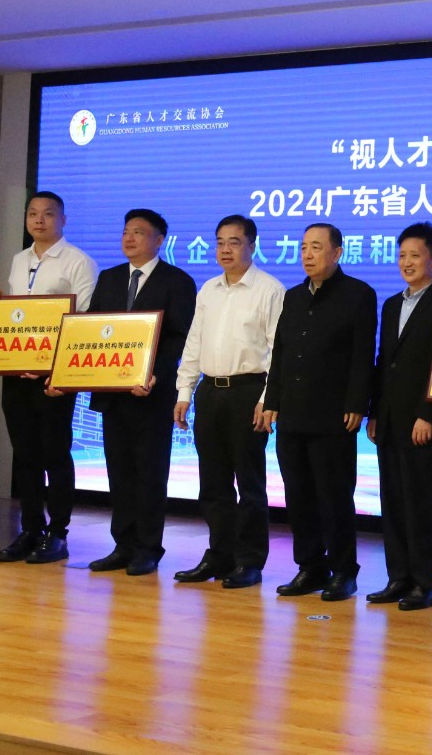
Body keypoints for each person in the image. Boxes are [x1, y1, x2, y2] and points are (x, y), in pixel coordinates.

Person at [260, 223, 377, 602]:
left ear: (337, 252)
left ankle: (343, 571)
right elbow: (280, 352)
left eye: (316, 247)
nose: (308, 255)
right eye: (304, 248)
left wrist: (357, 403)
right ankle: (310, 567)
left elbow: (363, 355)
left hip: (333, 416)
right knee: (298, 495)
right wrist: (272, 400)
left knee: (334, 497)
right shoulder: (293, 296)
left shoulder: (358, 294)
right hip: (292, 413)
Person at [0, 191, 97, 566]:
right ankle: (30, 528)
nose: (39, 220)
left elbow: (83, 320)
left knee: (55, 454)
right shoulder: (20, 260)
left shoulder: (79, 261)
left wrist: (54, 367)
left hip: (53, 375)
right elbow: (15, 315)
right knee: (25, 454)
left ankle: (58, 532)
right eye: (32, 213)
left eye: (48, 214)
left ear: (63, 219)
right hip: (17, 371)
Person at [82, 209, 197, 577]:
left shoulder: (177, 281)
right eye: (126, 232)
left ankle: (148, 548)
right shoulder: (109, 278)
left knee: (149, 473)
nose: (129, 238)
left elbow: (181, 337)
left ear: (159, 240)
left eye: (139, 232)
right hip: (113, 394)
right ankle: (123, 545)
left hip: (152, 394)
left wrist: (154, 374)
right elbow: (93, 329)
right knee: (119, 472)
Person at [174, 215, 285, 590]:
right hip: (210, 391)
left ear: (252, 246)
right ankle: (219, 554)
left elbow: (278, 351)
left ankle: (249, 560)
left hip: (248, 392)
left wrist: (268, 398)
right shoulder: (208, 290)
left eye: (234, 242)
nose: (225, 249)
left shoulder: (269, 290)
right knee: (213, 482)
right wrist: (185, 392)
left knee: (249, 483)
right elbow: (194, 343)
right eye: (220, 242)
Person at [365, 222, 432, 611]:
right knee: (393, 502)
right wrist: (375, 412)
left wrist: (429, 414)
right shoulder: (392, 304)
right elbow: (383, 362)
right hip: (390, 421)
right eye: (402, 255)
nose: (407, 262)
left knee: (424, 504)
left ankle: (426, 582)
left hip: (426, 424)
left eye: (415, 256)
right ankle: (399, 577)